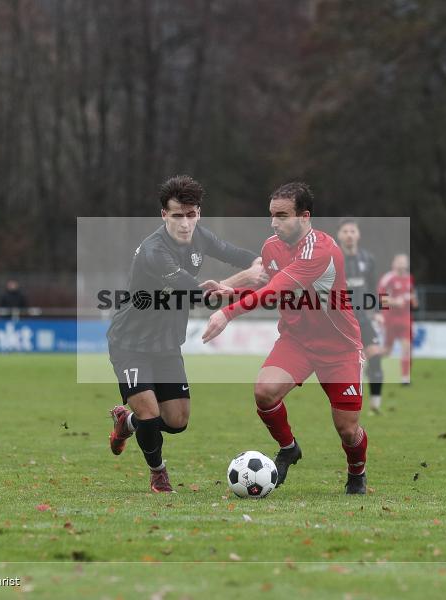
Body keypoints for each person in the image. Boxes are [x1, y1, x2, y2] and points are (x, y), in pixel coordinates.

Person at [202, 182, 369, 495]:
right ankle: (289, 447)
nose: (274, 223)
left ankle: (356, 473)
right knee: (265, 392)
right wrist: (233, 293)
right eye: (271, 216)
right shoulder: (271, 247)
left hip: (339, 347)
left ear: (305, 217)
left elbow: (277, 288)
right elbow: (271, 292)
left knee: (347, 430)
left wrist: (228, 312)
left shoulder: (321, 249)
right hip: (296, 340)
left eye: (282, 216)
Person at [106, 175, 268, 493]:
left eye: (191, 215)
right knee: (151, 415)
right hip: (131, 343)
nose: (185, 223)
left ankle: (126, 423)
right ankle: (158, 473)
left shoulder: (200, 237)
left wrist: (262, 260)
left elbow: (235, 252)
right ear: (164, 215)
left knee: (177, 421)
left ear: (199, 213)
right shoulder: (154, 252)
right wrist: (247, 277)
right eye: (177, 215)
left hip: (167, 344)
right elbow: (199, 295)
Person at [336, 218, 386, 415]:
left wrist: (380, 312)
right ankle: (344, 404)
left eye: (352, 231)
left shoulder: (368, 259)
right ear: (339, 235)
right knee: (344, 365)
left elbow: (374, 288)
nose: (349, 235)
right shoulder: (332, 258)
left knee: (375, 355)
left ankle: (375, 403)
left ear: (358, 235)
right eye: (345, 231)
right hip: (338, 321)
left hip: (363, 318)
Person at [376, 254, 418, 390]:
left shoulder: (409, 279)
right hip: (390, 318)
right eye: (399, 262)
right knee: (387, 350)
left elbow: (411, 295)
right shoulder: (388, 278)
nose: (401, 265)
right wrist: (395, 302)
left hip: (405, 318)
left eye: (404, 262)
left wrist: (413, 299)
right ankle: (369, 361)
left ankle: (405, 379)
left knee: (407, 347)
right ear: (393, 264)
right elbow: (380, 299)